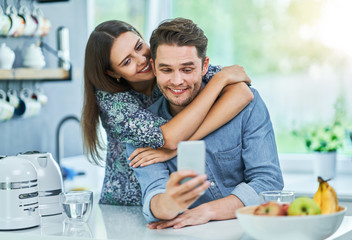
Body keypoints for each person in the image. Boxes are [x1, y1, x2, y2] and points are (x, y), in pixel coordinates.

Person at [126, 17, 284, 228]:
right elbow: (155, 201)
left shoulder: (247, 105)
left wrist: (208, 211)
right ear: (153, 68)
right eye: (166, 70)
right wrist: (170, 201)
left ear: (204, 66)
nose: (177, 80)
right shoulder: (146, 130)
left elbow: (268, 184)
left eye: (187, 69)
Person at [81, 20, 254, 206]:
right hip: (128, 204)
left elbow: (242, 93)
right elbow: (170, 138)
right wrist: (220, 80)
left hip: (172, 198)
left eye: (139, 47)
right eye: (127, 61)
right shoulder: (113, 103)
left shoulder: (169, 69)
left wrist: (221, 79)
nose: (141, 60)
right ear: (112, 72)